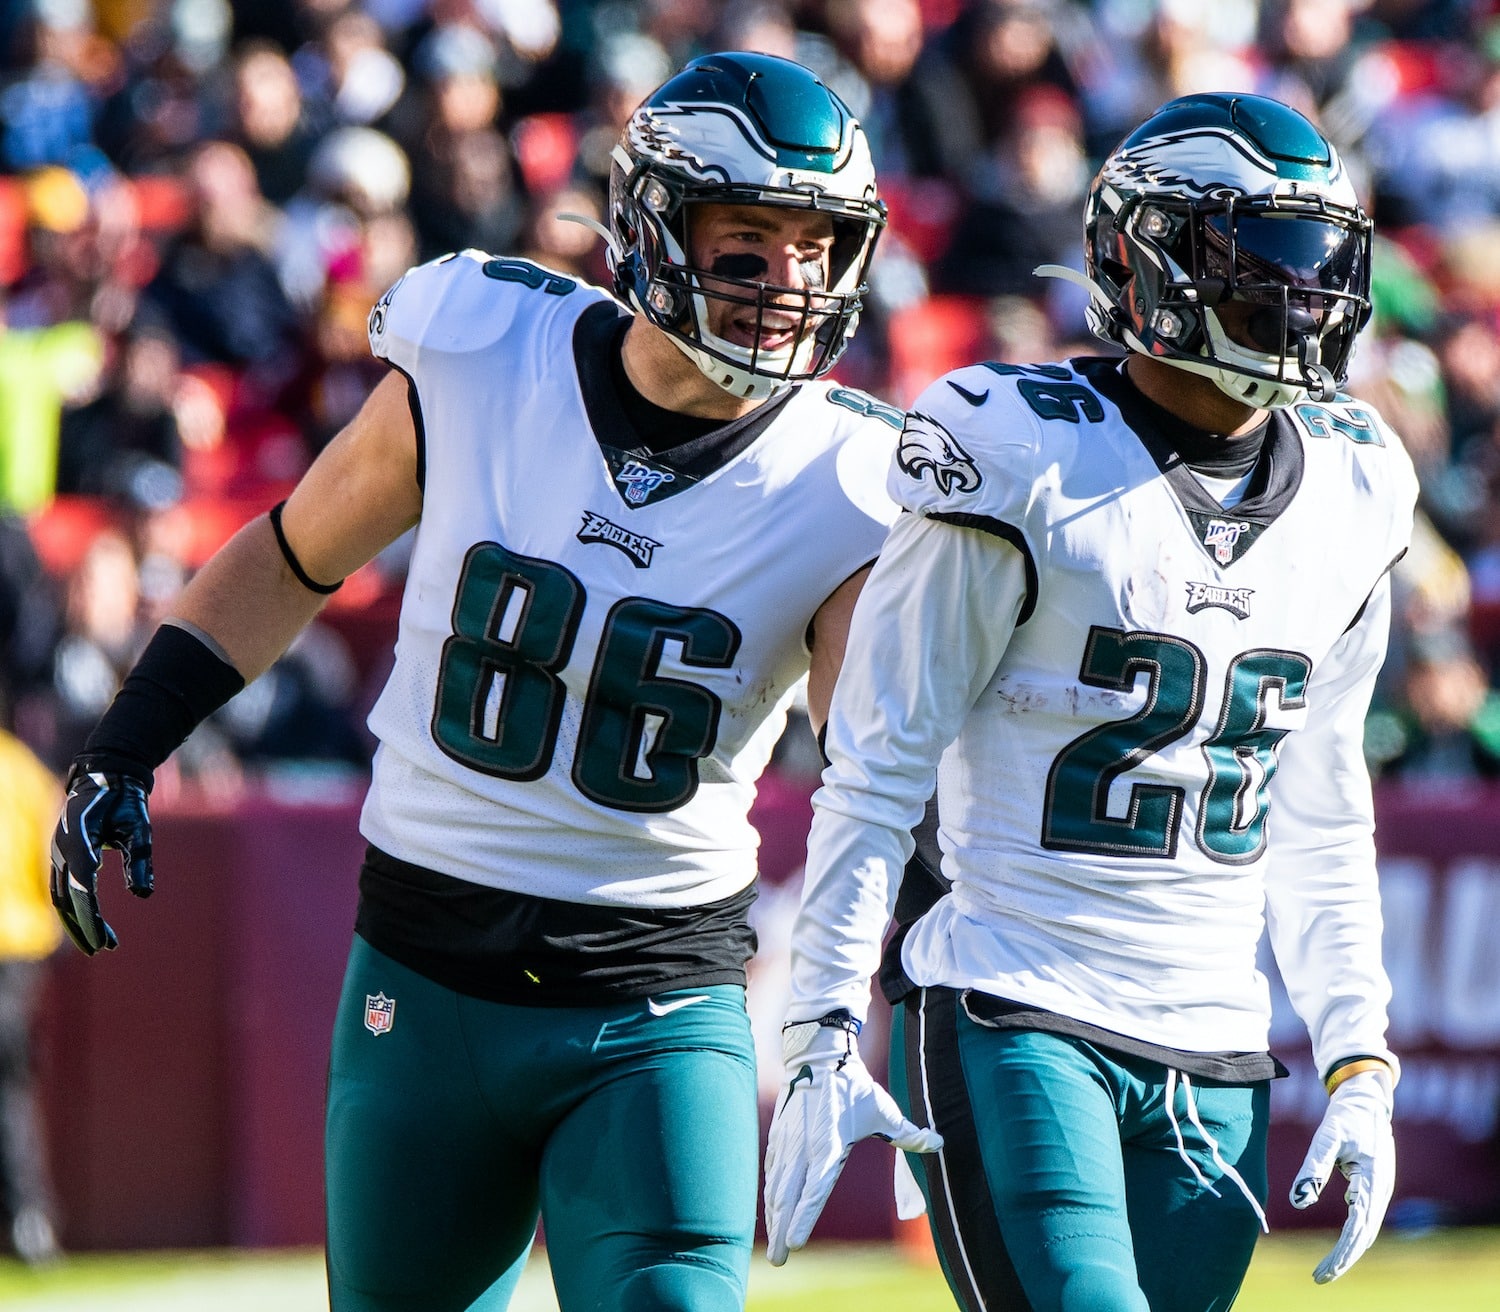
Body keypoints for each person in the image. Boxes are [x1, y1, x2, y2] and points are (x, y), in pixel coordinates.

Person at [48, 51, 896, 1312]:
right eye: (749, 246)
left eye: (816, 250)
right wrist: (129, 739)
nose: (790, 287)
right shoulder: (485, 350)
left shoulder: (851, 481)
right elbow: (290, 554)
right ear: (657, 229)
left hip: (657, 1001)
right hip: (424, 978)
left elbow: (872, 772)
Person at [763, 92, 1415, 1311]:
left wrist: (1359, 1052)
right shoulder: (1024, 450)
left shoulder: (1358, 482)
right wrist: (818, 1027)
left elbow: (1321, 811)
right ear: (1151, 260)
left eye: (1316, 260)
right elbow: (877, 763)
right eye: (1263, 262)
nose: (1302, 297)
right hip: (1020, 1001)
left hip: (1219, 1044)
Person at [0, 713, 64, 1266]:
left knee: (9, 1086)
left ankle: (29, 1218)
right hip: (23, 948)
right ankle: (29, 1218)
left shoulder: (20, 771)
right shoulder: (25, 770)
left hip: (12, 948)